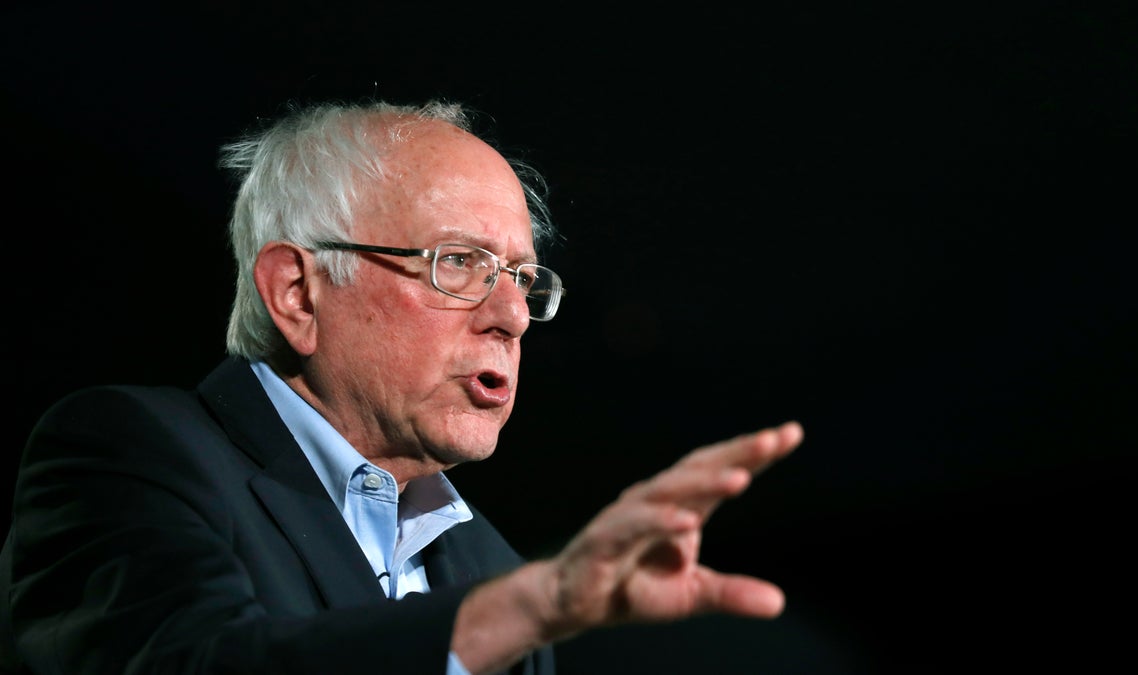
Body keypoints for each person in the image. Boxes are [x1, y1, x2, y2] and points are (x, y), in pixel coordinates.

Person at [0, 98, 803, 674]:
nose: (513, 317)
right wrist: (523, 608)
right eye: (459, 263)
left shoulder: (489, 562)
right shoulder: (128, 454)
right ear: (298, 293)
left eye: (523, 277)